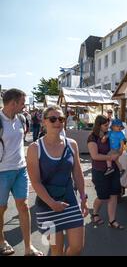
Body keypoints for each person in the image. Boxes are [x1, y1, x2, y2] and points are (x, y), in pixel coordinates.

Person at [26, 105, 88, 256]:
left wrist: (83, 198)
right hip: (47, 209)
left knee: (77, 247)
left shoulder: (71, 144)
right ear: (44, 122)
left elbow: (78, 174)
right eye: (53, 119)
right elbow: (36, 182)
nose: (58, 122)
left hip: (70, 204)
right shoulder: (35, 148)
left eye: (61, 119)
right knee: (55, 250)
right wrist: (52, 203)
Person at [0, 88, 43, 256]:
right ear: (13, 103)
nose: (25, 106)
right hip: (2, 172)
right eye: (23, 103)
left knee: (24, 207)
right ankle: (1, 241)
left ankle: (28, 248)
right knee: (1, 209)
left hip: (20, 170)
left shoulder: (21, 119)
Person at [87, 115, 124, 229]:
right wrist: (110, 158)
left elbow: (117, 148)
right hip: (100, 170)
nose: (108, 127)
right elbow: (95, 156)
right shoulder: (92, 137)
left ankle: (112, 221)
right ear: (99, 125)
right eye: (105, 125)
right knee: (102, 196)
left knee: (113, 195)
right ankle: (95, 213)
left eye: (108, 125)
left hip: (113, 169)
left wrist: (119, 153)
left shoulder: (111, 134)